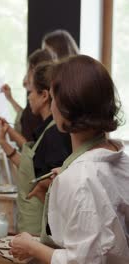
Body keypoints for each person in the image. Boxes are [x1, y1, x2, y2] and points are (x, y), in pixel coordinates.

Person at [10, 55, 129, 263]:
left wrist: (32, 247)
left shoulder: (79, 178)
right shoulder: (119, 157)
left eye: (54, 98)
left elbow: (81, 261)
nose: (52, 105)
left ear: (67, 109)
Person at [0, 62, 72, 235]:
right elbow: (31, 168)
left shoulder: (54, 134)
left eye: (30, 91)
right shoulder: (47, 129)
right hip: (33, 224)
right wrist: (4, 142)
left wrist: (42, 187)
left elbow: (56, 180)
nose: (28, 97)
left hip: (41, 227)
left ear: (44, 95)